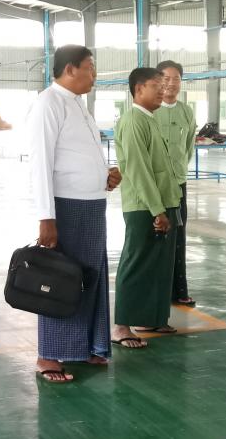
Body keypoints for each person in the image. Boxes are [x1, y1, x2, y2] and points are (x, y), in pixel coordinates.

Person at [28, 45, 122, 383]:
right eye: (90, 68)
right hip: (66, 206)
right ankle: (49, 355)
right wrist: (46, 217)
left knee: (90, 276)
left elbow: (78, 155)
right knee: (60, 279)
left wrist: (104, 175)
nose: (94, 75)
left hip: (91, 203)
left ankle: (87, 345)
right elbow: (40, 163)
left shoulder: (78, 105)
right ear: (70, 69)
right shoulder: (48, 103)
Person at [112, 67, 183, 348]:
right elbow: (138, 170)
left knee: (159, 264)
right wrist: (157, 210)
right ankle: (121, 326)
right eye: (157, 85)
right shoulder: (133, 121)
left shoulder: (149, 118)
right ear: (139, 89)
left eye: (164, 85)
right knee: (137, 263)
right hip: (144, 206)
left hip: (163, 202)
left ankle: (151, 318)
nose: (163, 91)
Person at [154, 60, 198, 307]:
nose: (171, 84)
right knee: (154, 235)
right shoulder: (150, 109)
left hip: (178, 183)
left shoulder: (186, 112)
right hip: (154, 183)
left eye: (176, 79)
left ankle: (179, 290)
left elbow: (189, 146)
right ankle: (156, 290)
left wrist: (178, 169)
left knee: (178, 236)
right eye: (166, 78)